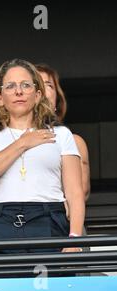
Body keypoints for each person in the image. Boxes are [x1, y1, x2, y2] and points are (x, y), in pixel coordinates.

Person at [0, 59, 85, 254]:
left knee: (54, 283)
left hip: (49, 218)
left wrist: (74, 238)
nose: (19, 92)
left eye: (25, 85)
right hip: (0, 220)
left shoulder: (61, 133)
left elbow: (75, 193)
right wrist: (22, 143)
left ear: (38, 94)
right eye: (10, 86)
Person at [35, 63, 90, 200]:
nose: (41, 89)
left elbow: (80, 193)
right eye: (35, 84)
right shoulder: (7, 137)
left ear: (57, 102)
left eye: (48, 85)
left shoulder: (73, 141)